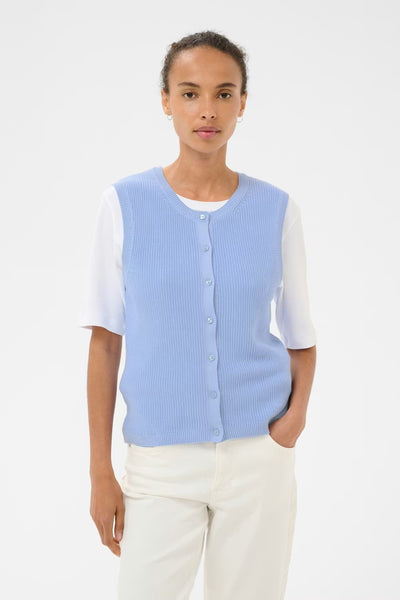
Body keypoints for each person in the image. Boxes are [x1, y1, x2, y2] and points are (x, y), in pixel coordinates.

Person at [78, 30, 317, 600]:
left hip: (258, 456)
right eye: (189, 93)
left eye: (223, 93)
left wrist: (291, 424)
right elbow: (105, 343)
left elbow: (301, 336)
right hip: (160, 462)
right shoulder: (123, 205)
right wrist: (100, 471)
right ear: (166, 101)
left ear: (242, 103)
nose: (207, 110)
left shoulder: (277, 210)